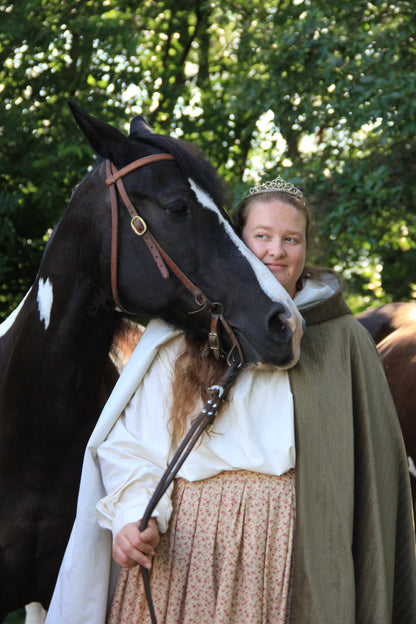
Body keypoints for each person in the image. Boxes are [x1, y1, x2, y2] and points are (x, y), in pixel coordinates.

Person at [46, 177, 416, 624]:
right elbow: (132, 444)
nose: (275, 250)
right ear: (238, 241)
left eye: (290, 239)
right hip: (181, 553)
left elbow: (371, 477)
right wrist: (131, 518)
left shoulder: (344, 341)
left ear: (305, 248)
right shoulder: (183, 333)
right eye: (261, 236)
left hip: (286, 555)